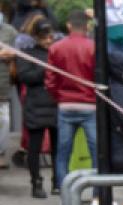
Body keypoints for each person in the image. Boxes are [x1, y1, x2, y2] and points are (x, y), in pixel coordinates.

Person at [47, 9, 95, 193]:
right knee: (96, 151)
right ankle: (99, 194)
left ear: (68, 25)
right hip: (89, 104)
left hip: (65, 104)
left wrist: (58, 97)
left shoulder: (56, 48)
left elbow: (50, 80)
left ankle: (64, 192)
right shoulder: (94, 47)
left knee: (63, 152)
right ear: (87, 26)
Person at [14, 17, 54, 199]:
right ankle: (36, 182)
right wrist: (45, 70)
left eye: (50, 37)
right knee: (34, 147)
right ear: (36, 37)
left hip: (54, 104)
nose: (48, 40)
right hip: (35, 105)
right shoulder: (26, 53)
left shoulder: (56, 52)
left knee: (59, 147)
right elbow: (25, 77)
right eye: (44, 37)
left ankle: (58, 181)